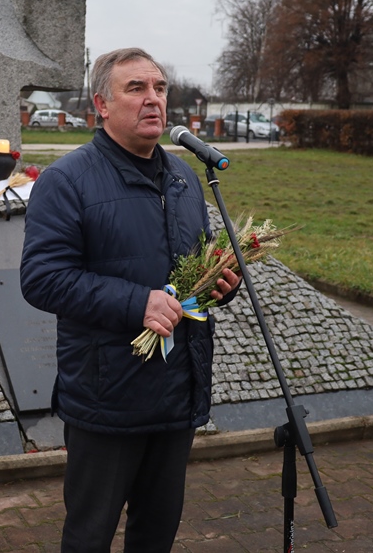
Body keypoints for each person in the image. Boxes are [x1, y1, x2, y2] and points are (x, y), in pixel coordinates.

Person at [20, 47, 242, 552]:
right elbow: (42, 278)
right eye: (135, 89)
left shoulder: (187, 181)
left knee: (155, 536)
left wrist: (218, 288)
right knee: (89, 537)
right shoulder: (66, 181)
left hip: (176, 395)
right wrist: (134, 302)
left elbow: (192, 278)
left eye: (159, 89)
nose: (153, 101)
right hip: (107, 400)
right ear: (101, 104)